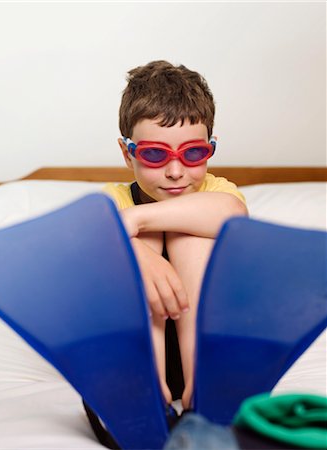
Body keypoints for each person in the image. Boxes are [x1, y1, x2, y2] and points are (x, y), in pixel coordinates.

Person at [102, 60, 248, 410]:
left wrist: (134, 221)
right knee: (131, 243)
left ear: (210, 149)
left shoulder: (217, 192)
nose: (175, 172)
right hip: (133, 356)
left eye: (193, 153)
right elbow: (87, 241)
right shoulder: (111, 199)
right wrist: (137, 252)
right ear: (127, 153)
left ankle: (202, 384)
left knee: (190, 234)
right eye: (154, 154)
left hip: (208, 346)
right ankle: (150, 390)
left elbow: (232, 214)